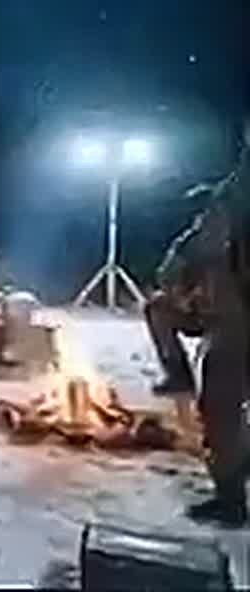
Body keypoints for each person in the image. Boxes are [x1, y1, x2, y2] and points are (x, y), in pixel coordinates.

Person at [183, 133, 250, 526]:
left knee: (222, 403)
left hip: (240, 313)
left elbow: (211, 234)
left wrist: (181, 267)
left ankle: (231, 497)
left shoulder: (241, 186)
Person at [144, 186, 216, 397]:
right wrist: (181, 295)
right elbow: (165, 274)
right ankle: (178, 375)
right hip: (202, 310)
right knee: (156, 307)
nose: (204, 219)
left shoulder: (240, 239)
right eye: (200, 214)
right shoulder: (189, 244)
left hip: (236, 315)